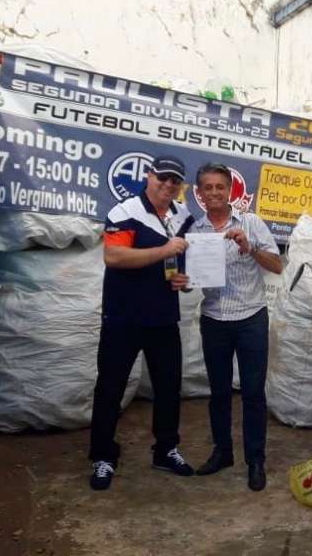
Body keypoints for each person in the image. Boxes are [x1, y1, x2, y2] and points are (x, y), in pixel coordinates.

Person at [88, 155, 196, 491]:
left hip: (163, 317)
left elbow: (182, 263)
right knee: (110, 388)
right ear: (148, 176)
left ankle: (166, 450)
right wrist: (163, 251)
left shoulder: (183, 215)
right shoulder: (124, 212)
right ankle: (103, 457)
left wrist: (184, 280)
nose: (167, 185)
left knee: (168, 388)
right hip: (123, 316)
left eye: (174, 181)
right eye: (162, 178)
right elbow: (114, 257)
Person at [190, 162, 282, 491]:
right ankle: (223, 452)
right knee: (218, 392)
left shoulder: (252, 222)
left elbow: (277, 266)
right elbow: (185, 279)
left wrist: (250, 247)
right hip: (214, 320)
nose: (214, 193)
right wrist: (182, 281)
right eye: (207, 187)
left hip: (251, 319)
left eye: (220, 187)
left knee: (254, 393)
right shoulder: (195, 230)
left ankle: (255, 460)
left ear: (230, 191)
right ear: (198, 193)